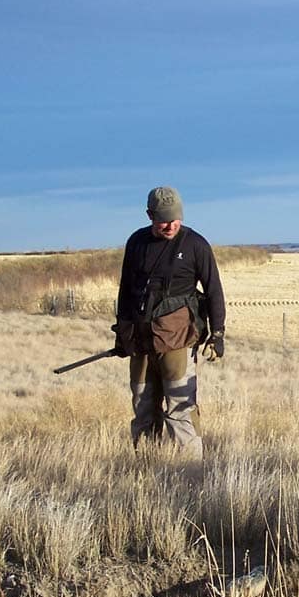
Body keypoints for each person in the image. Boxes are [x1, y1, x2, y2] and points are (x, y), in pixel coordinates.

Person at [112, 186, 225, 459]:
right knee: (142, 405)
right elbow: (126, 290)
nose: (170, 225)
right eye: (163, 219)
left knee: (180, 407)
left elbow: (213, 290)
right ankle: (145, 466)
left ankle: (191, 470)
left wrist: (217, 333)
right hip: (140, 341)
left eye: (175, 218)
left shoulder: (195, 244)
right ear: (149, 215)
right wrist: (121, 334)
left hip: (178, 339)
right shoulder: (137, 243)